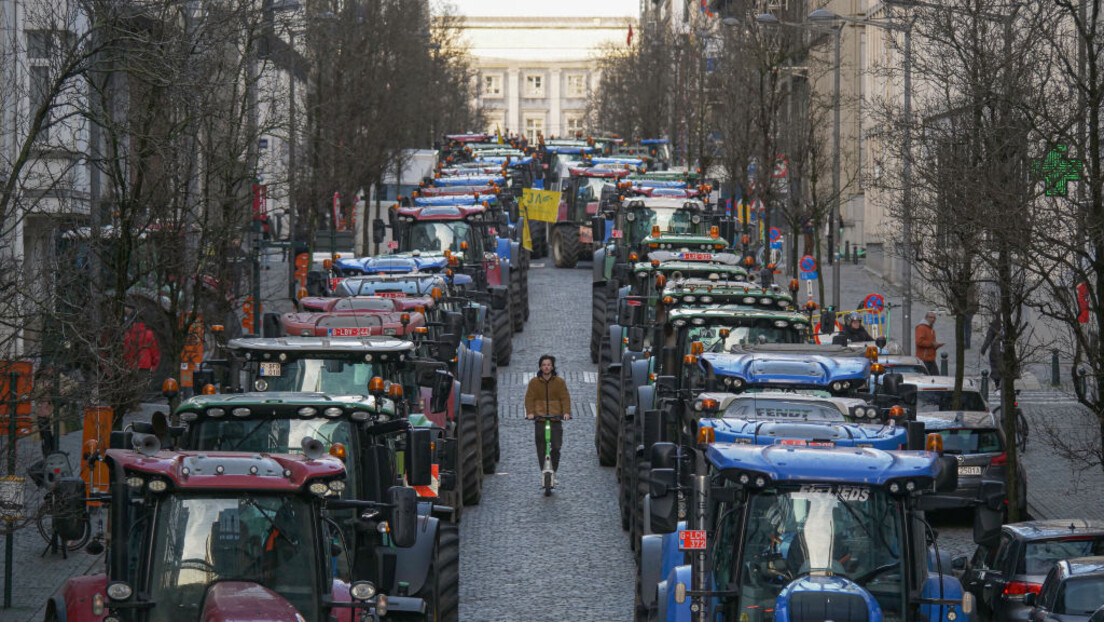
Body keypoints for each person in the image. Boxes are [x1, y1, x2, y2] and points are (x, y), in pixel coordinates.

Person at [524, 355, 571, 474]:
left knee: (556, 447)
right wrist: (530, 413)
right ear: (540, 367)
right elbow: (529, 398)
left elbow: (565, 398)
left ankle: (553, 470)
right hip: (540, 420)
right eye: (544, 365)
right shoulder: (534, 383)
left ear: (552, 367)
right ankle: (544, 471)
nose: (546, 367)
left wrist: (566, 412)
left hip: (555, 419)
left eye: (549, 365)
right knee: (541, 448)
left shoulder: (560, 382)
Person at [915, 311, 944, 376]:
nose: (933, 319)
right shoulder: (921, 327)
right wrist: (932, 344)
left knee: (935, 378)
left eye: (934, 318)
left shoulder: (930, 329)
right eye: (930, 317)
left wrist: (936, 346)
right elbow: (919, 342)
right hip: (924, 359)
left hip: (930, 358)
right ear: (926, 318)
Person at [979, 317, 1003, 387]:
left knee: (995, 368)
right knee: (1002, 367)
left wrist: (983, 351)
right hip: (1004, 351)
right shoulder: (1006, 327)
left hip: (995, 351)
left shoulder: (992, 328)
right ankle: (1001, 384)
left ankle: (997, 385)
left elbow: (988, 340)